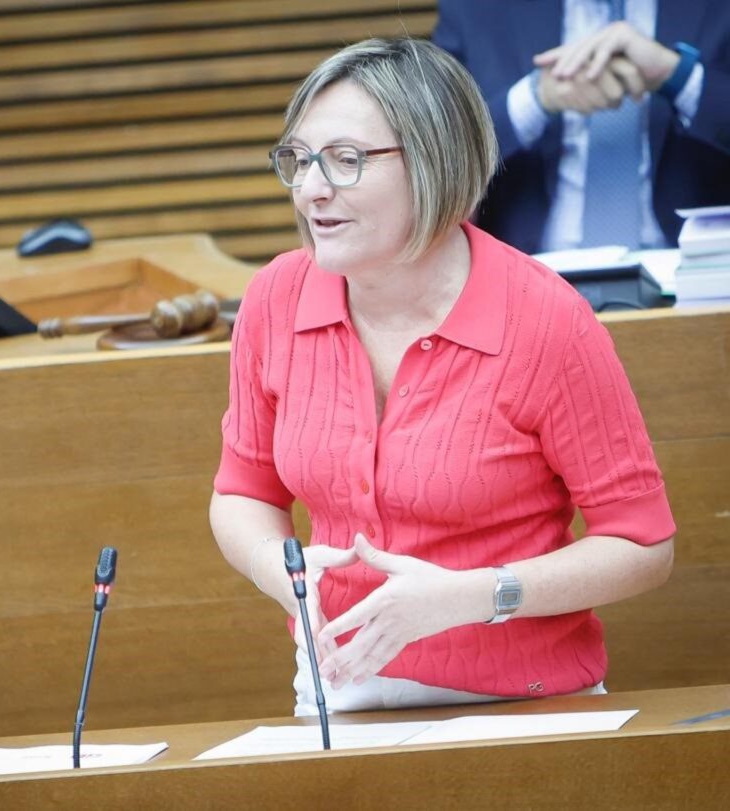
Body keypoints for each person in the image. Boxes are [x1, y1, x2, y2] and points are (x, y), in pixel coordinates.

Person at [209, 38, 675, 716]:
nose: (310, 189)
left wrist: (473, 595)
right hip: (337, 694)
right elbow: (242, 492)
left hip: (527, 704)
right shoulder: (275, 299)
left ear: (434, 161)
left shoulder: (545, 319)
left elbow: (642, 544)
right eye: (299, 159)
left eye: (345, 160)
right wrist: (281, 571)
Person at [433, 0, 730, 254]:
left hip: (696, 274)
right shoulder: (475, 8)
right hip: (529, 278)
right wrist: (533, 99)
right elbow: (435, 155)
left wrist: (679, 78)